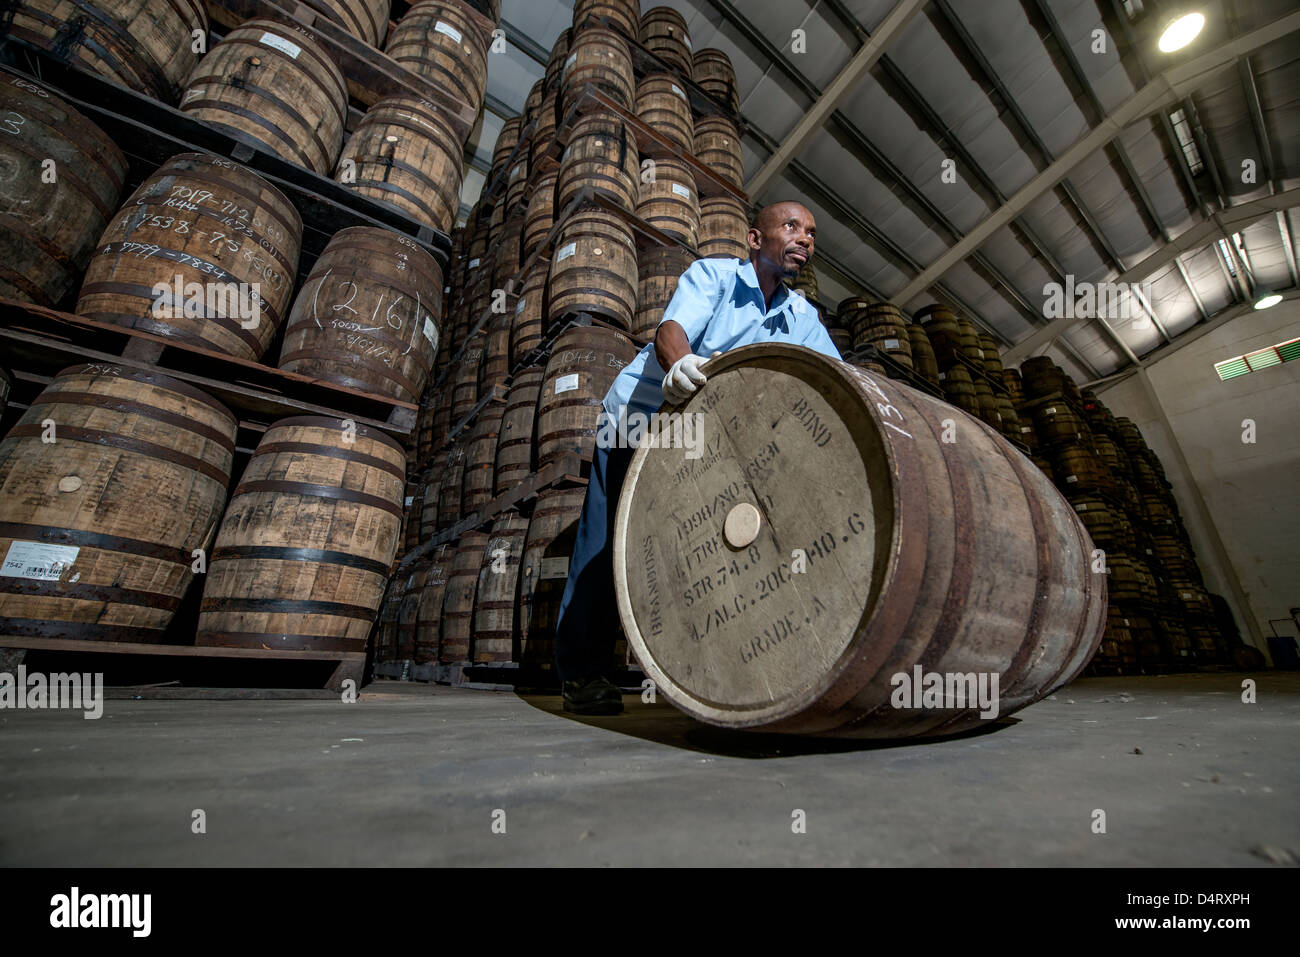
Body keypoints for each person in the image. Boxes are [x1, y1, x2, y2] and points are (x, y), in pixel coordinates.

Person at [554, 201, 842, 714]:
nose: (805, 239)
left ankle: (707, 677)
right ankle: (581, 672)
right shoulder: (715, 277)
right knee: (605, 545)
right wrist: (681, 361)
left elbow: (839, 381)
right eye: (792, 227)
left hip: (700, 447)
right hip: (639, 421)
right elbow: (671, 332)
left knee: (694, 554)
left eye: (812, 233)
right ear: (756, 239)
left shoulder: (801, 317)